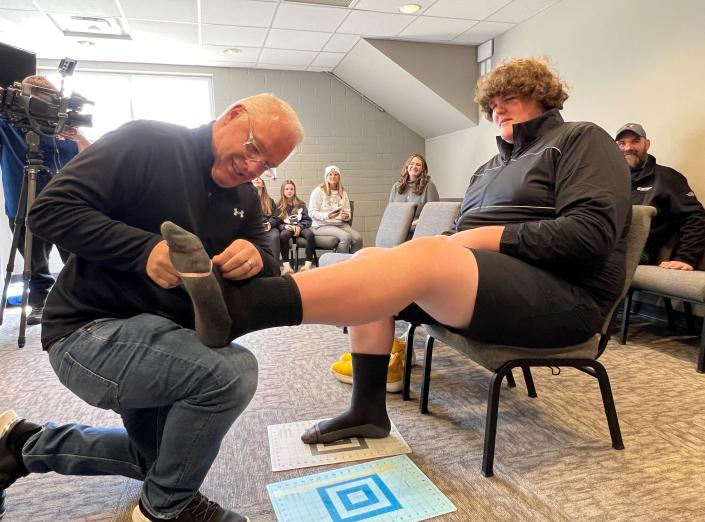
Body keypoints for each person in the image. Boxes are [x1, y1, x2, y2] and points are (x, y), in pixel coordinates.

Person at [142, 56, 631, 447]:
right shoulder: (487, 169)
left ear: (543, 96)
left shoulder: (580, 139)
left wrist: (483, 239)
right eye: (492, 105)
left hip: (563, 300)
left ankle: (241, 308)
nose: (499, 111)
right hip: (490, 287)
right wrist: (461, 243)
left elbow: (590, 235)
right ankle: (368, 410)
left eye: (511, 99)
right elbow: (458, 240)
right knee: (374, 261)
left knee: (426, 256)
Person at [0, 93, 303, 522]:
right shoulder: (147, 142)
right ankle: (166, 509)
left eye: (268, 163)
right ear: (233, 116)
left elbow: (267, 258)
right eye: (254, 148)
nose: (254, 167)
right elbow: (47, 212)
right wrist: (142, 251)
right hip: (88, 330)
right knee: (232, 372)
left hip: (168, 339)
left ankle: (21, 445)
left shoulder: (245, 196)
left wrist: (257, 256)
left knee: (163, 459)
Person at [0, 75, 91, 324]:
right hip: (22, 203)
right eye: (38, 100)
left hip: (65, 205)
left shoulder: (61, 127)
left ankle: (78, 300)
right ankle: (39, 301)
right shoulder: (8, 126)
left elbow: (93, 158)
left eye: (49, 100)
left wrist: (78, 137)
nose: (45, 107)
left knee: (77, 256)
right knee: (34, 261)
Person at [615, 123, 705, 270]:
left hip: (637, 253)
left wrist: (685, 258)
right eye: (621, 143)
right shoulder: (608, 179)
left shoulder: (667, 178)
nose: (628, 148)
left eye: (635, 141)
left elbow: (695, 217)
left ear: (647, 144)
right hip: (604, 245)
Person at [308, 165, 362, 254]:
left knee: (357, 238)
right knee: (346, 237)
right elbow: (311, 212)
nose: (333, 177)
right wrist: (327, 215)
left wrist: (346, 216)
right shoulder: (318, 191)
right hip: (321, 225)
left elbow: (348, 212)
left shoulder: (343, 192)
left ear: (339, 177)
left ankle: (352, 263)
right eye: (330, 174)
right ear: (326, 176)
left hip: (340, 224)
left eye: (335, 174)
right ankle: (340, 263)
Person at [388, 153, 440, 236]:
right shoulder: (396, 186)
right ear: (407, 166)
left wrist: (409, 224)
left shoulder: (429, 186)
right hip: (397, 230)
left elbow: (433, 213)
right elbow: (390, 212)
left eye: (418, 165)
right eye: (411, 164)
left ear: (423, 169)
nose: (414, 167)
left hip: (418, 231)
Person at [276, 179, 315, 273]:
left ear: (295, 190)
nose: (289, 191)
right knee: (283, 235)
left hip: (300, 227)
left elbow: (308, 220)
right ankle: (286, 267)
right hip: (288, 228)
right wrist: (284, 227)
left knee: (310, 234)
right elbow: (277, 222)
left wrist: (300, 226)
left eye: (291, 189)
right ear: (283, 191)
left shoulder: (301, 204)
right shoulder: (278, 206)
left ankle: (307, 266)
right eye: (287, 189)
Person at [252, 174, 281, 266]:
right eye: (254, 178)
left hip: (269, 228)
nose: (257, 179)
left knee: (275, 236)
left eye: (259, 178)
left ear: (263, 184)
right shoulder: (247, 200)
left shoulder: (270, 201)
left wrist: (270, 224)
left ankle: (275, 267)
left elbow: (276, 216)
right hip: (254, 229)